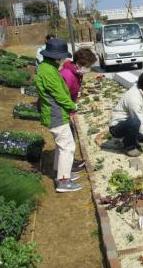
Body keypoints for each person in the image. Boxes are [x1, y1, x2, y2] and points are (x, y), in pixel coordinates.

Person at [35, 38, 81, 192]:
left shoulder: (45, 67)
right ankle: (63, 181)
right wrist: (72, 105)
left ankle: (61, 172)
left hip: (53, 112)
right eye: (62, 56)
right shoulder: (49, 72)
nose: (64, 59)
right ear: (56, 56)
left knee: (62, 145)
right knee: (67, 146)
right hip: (56, 113)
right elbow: (59, 94)